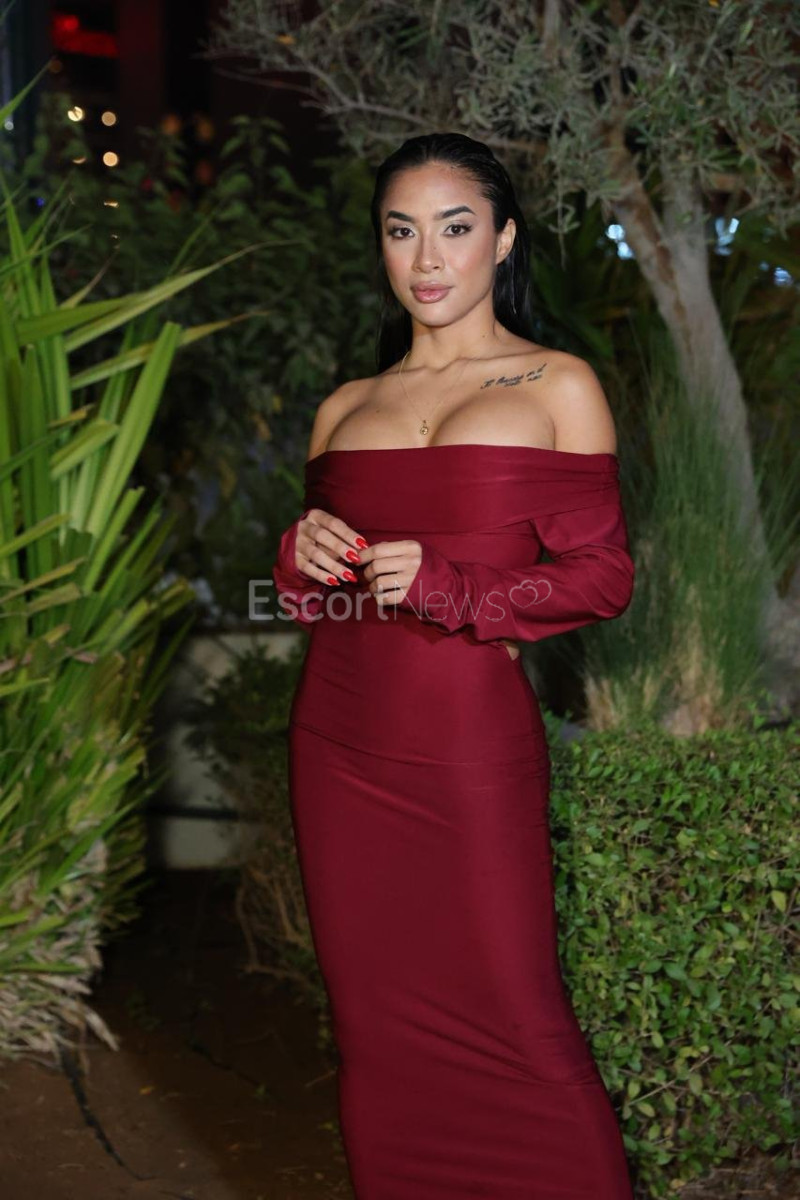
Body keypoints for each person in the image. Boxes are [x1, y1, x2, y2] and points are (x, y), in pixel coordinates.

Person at [272, 132, 636, 1199]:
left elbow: (602, 577)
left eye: (455, 227)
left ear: (503, 240)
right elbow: (317, 599)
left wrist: (454, 587)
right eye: (402, 231)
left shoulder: (558, 384)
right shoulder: (344, 408)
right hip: (340, 750)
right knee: (375, 1032)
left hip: (470, 749)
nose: (427, 258)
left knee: (519, 1021)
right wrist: (300, 556)